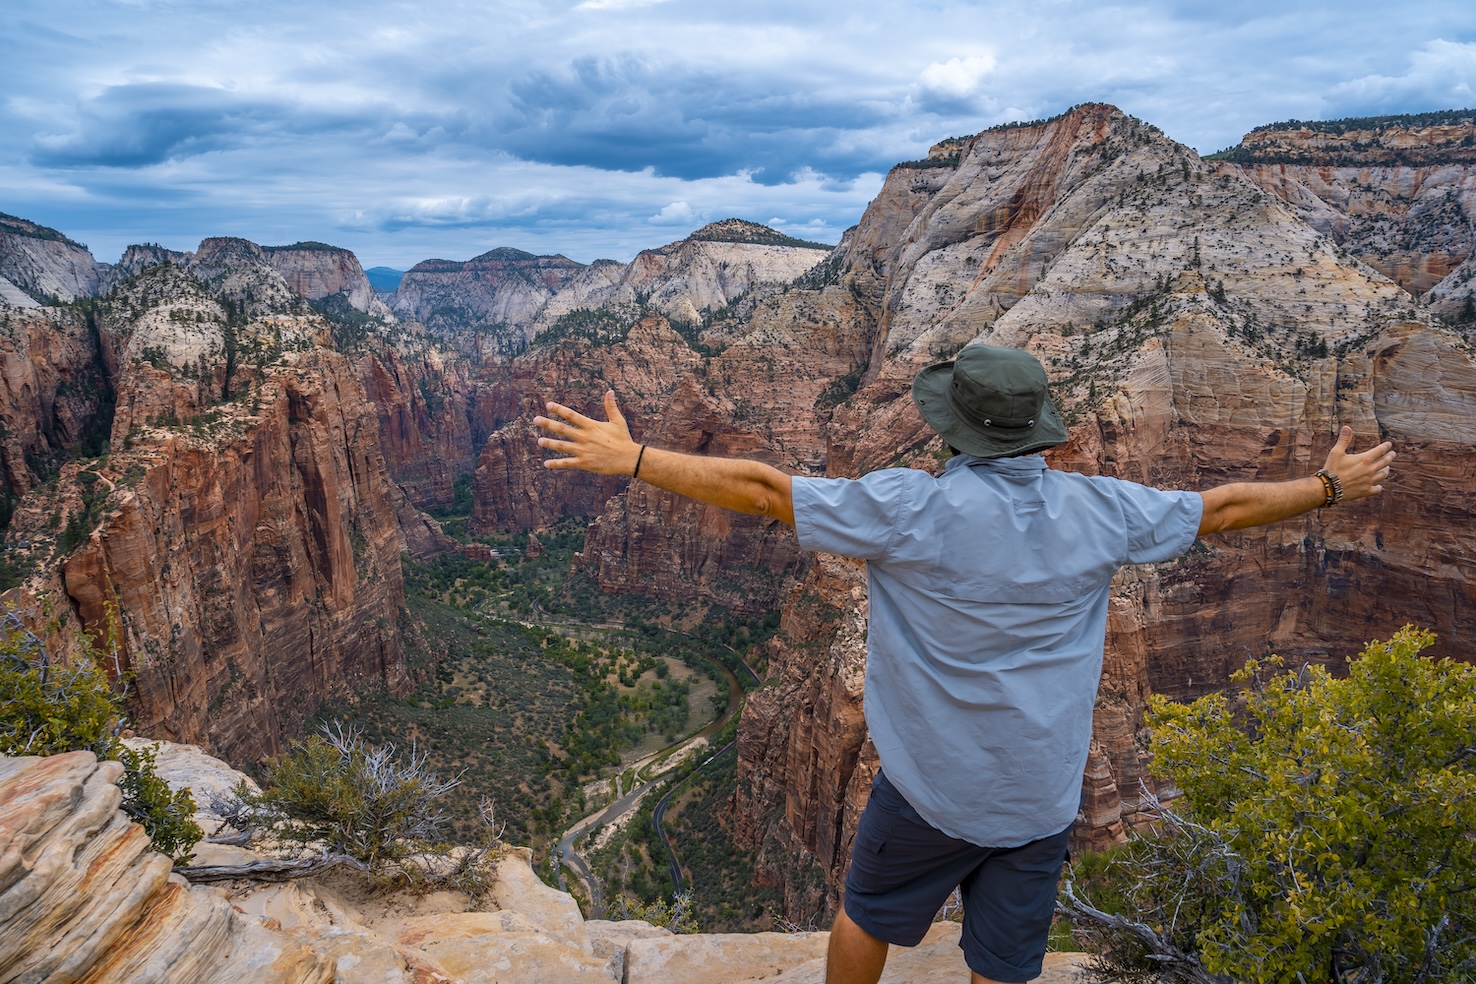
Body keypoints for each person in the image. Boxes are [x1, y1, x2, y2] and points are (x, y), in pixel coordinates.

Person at [533, 343, 1395, 984]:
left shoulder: (910, 508)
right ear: (1037, 435)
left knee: (867, 913)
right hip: (1040, 796)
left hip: (931, 790)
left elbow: (763, 491)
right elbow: (1227, 508)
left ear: (955, 428)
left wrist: (634, 458)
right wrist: (1326, 488)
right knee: (1006, 960)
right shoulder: (1103, 511)